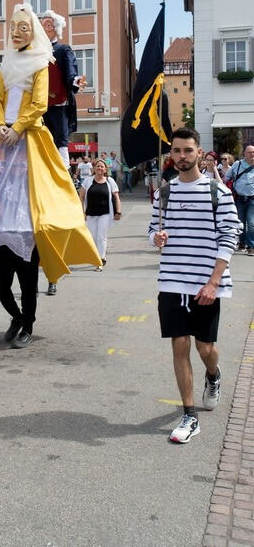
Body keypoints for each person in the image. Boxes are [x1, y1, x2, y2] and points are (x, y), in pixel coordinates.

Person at [0, 2, 100, 331]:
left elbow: (40, 103)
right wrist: (0, 125)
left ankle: (27, 318)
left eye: (23, 28)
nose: (16, 32)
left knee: (43, 190)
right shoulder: (6, 63)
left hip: (29, 136)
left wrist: (18, 127)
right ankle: (18, 316)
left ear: (34, 32)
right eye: (13, 27)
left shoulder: (42, 62)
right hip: (3, 137)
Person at [149, 127, 241, 443]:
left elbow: (230, 236)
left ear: (199, 152)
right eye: (176, 151)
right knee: (179, 344)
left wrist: (213, 282)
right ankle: (190, 416)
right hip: (173, 280)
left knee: (205, 348)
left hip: (206, 283)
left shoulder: (219, 192)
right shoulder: (163, 194)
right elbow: (152, 232)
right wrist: (156, 238)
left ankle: (213, 375)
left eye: (188, 150)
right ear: (170, 154)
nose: (182, 156)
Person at [38, 10, 86, 169]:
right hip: (39, 106)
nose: (43, 27)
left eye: (47, 24)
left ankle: (64, 174)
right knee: (41, 142)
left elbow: (71, 71)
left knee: (61, 141)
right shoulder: (35, 53)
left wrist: (76, 80)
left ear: (55, 29)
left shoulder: (63, 50)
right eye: (41, 24)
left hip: (59, 104)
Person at [79, 159, 121, 271]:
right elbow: (81, 197)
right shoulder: (88, 181)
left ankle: (100, 260)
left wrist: (118, 211)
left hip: (105, 213)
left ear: (105, 169)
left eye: (102, 166)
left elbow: (116, 197)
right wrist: (81, 211)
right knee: (93, 237)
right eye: (98, 166)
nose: (99, 168)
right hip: (91, 213)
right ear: (94, 168)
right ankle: (97, 255)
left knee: (101, 236)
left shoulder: (110, 181)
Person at [226, 144, 254, 255]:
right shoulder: (237, 165)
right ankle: (242, 243)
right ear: (244, 154)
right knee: (240, 222)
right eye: (250, 152)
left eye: (253, 152)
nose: (252, 154)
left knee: (251, 223)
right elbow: (227, 177)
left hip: (252, 199)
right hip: (239, 198)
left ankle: (251, 246)